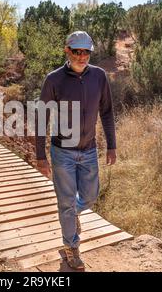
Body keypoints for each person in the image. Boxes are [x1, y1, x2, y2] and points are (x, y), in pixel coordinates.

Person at [35, 31, 117, 270]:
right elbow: (42, 118)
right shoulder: (54, 80)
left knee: (90, 196)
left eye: (86, 52)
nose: (82, 56)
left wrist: (111, 145)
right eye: (77, 51)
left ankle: (73, 215)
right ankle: (71, 247)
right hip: (62, 152)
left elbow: (107, 112)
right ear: (67, 51)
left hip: (89, 150)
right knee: (66, 203)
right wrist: (41, 156)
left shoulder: (99, 76)